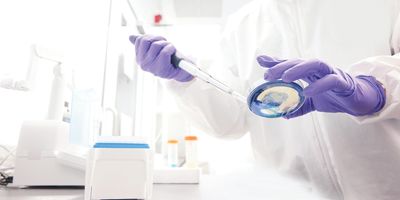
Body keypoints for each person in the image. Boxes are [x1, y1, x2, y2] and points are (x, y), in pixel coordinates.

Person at [129, 0, 400, 199]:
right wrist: (186, 80)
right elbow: (229, 123)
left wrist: (379, 90)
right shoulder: (243, 24)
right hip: (292, 192)